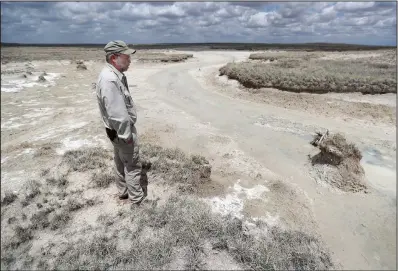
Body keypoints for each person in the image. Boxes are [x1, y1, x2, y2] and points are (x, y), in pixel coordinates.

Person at [95, 40, 147, 205]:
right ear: (114, 58)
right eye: (126, 56)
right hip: (121, 130)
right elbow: (117, 114)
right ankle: (138, 202)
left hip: (114, 131)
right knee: (132, 164)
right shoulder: (110, 79)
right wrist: (127, 135)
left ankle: (123, 193)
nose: (130, 60)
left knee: (119, 160)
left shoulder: (111, 75)